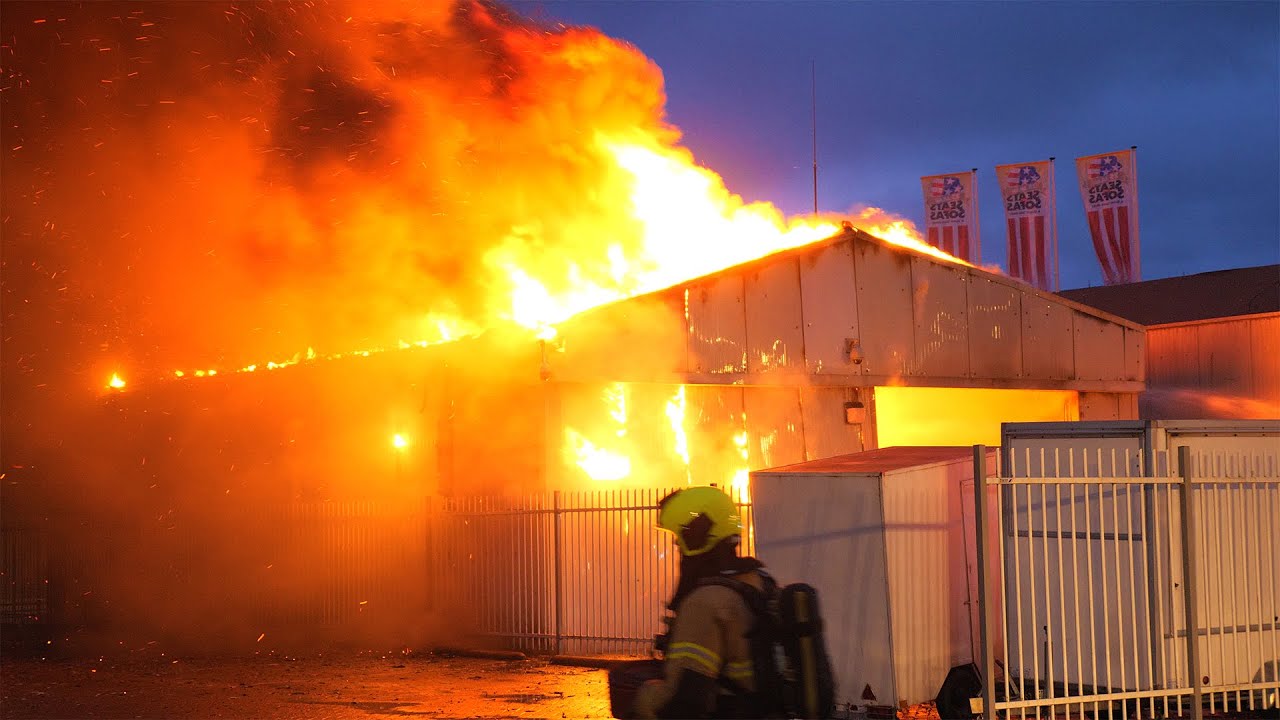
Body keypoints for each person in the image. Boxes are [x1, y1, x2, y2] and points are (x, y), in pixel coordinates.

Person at [610, 485, 773, 719]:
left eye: (679, 536)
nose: (676, 546)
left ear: (696, 535)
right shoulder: (758, 581)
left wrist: (644, 699)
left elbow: (684, 700)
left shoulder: (704, 603)